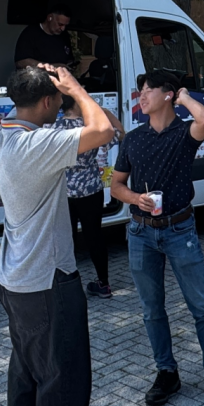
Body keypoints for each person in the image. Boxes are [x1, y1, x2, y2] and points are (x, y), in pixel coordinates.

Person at [0, 64, 114, 406]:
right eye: (58, 100)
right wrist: (77, 87)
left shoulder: (5, 134)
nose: (62, 105)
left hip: (15, 279)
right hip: (48, 282)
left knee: (28, 376)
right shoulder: (36, 146)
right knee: (63, 386)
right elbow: (105, 129)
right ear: (46, 101)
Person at [109, 69, 204, 406]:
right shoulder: (133, 139)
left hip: (180, 229)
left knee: (201, 306)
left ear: (167, 95)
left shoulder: (185, 134)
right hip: (140, 231)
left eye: (148, 89)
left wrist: (183, 95)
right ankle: (166, 372)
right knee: (152, 309)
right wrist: (134, 198)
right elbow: (116, 185)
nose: (141, 95)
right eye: (140, 89)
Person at [52, 94, 123, 299]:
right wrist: (107, 113)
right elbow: (120, 135)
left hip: (62, 188)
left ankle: (66, 287)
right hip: (91, 188)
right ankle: (104, 283)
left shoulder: (52, 126)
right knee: (95, 236)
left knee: (66, 237)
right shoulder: (92, 127)